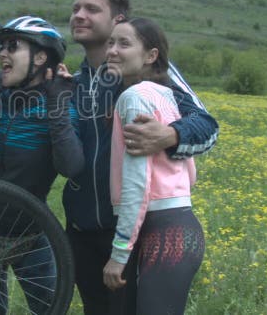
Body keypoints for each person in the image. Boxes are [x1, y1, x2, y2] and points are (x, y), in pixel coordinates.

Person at [63, 0, 218, 314]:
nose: (79, 15)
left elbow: (207, 126)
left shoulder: (144, 75)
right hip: (81, 227)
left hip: (128, 229)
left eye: (92, 8)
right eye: (76, 8)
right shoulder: (72, 81)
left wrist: (172, 135)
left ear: (118, 20)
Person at [0, 15, 83, 314]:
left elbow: (71, 166)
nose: (1, 53)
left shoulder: (57, 104)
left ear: (40, 56)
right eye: (0, 47)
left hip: (30, 235)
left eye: (12, 46)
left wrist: (57, 108)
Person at [102, 17, 205, 314]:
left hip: (161, 232)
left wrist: (119, 254)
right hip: (182, 227)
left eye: (124, 43)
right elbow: (191, 174)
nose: (112, 50)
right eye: (111, 42)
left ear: (151, 56)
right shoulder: (169, 97)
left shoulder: (133, 97)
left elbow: (137, 184)